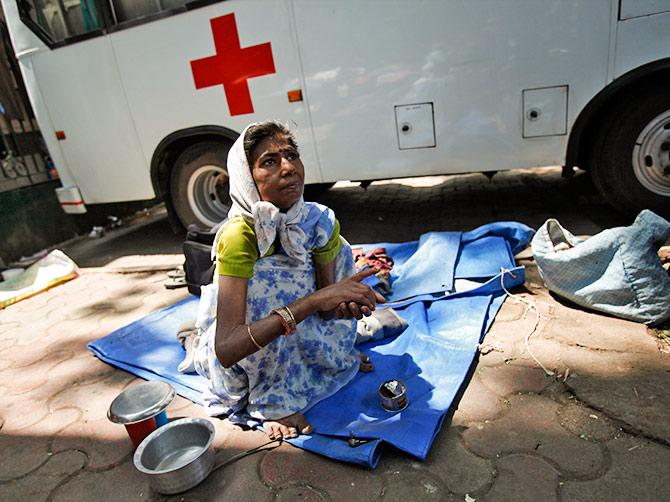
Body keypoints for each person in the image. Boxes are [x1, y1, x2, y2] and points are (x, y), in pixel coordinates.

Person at [194, 121, 384, 440]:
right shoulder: (240, 235)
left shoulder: (316, 221)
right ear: (246, 177)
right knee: (265, 279)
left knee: (343, 251)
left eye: (292, 155)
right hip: (246, 355)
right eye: (269, 161)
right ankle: (272, 396)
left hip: (299, 331)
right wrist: (312, 301)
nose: (288, 167)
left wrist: (342, 303)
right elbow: (227, 349)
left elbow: (323, 312)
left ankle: (318, 365)